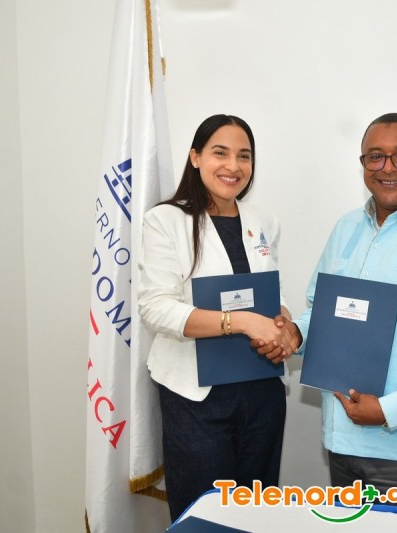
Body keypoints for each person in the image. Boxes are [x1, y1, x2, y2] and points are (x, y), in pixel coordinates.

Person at [258, 112, 397, 516]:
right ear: (362, 163)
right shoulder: (347, 228)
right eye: (375, 157)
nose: (388, 168)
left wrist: (387, 411)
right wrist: (296, 334)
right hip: (343, 446)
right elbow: (322, 312)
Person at [138, 114, 299, 520]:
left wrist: (282, 325)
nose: (233, 166)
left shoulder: (264, 221)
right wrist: (241, 322)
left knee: (256, 515)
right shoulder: (165, 221)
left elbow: (271, 294)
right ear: (195, 157)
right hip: (196, 397)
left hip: (261, 391)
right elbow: (156, 308)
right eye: (220, 153)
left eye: (244, 156)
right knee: (204, 517)